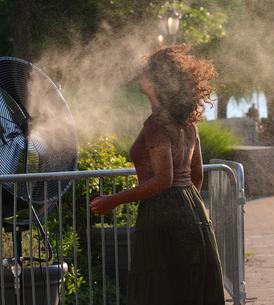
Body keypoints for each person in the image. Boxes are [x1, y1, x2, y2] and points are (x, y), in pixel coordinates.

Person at [89, 45, 225, 305]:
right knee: (188, 291)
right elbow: (196, 175)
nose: (141, 74)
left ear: (155, 82)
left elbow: (163, 179)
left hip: (162, 216)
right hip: (193, 213)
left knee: (161, 292)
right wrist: (187, 208)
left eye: (146, 71)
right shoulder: (186, 123)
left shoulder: (157, 125)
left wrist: (113, 200)